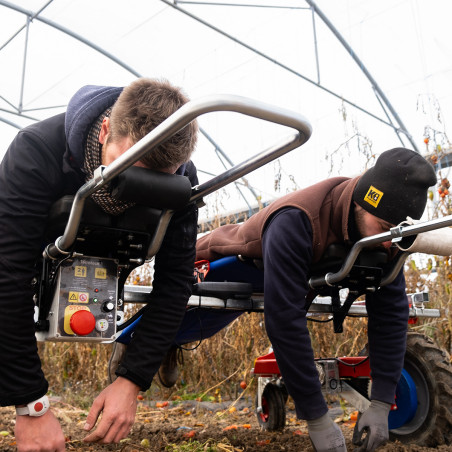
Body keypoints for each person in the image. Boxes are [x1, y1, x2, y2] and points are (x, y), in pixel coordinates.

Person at [0, 78, 199, 451]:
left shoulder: (184, 176)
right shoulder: (37, 151)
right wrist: (32, 405)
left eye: (158, 182)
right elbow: (7, 275)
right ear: (105, 130)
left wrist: (132, 380)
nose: (137, 191)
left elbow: (175, 283)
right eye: (130, 171)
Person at [195, 148, 437, 452]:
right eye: (384, 230)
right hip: (238, 257)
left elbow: (390, 315)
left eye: (397, 235)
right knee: (190, 296)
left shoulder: (388, 240)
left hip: (311, 263)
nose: (388, 244)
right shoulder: (297, 219)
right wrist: (318, 418)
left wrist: (381, 403)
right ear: (364, 204)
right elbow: (284, 320)